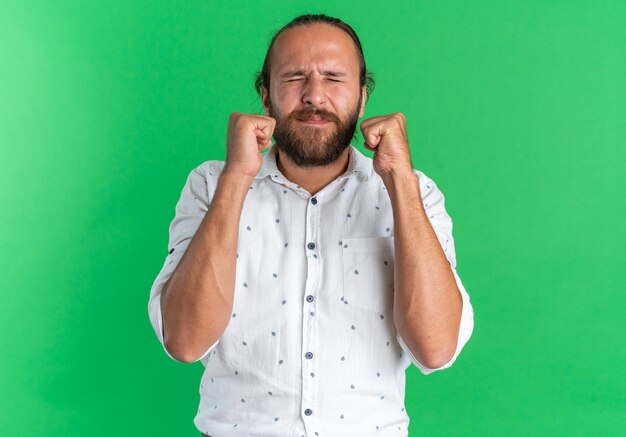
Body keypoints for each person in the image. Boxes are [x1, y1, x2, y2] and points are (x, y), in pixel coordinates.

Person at [148, 13, 474, 437]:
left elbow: (436, 349)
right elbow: (185, 341)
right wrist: (236, 177)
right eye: (294, 77)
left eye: (334, 78)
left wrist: (398, 181)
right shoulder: (211, 185)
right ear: (265, 97)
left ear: (362, 98)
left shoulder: (414, 192)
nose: (314, 95)